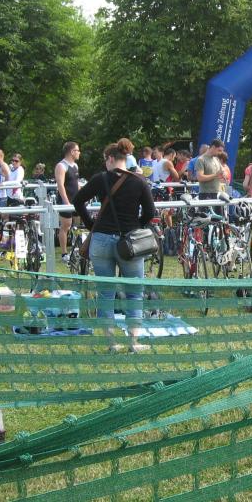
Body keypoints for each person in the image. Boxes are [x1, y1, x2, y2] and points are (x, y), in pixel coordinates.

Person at [73, 142, 155, 353]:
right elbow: (150, 212)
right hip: (130, 243)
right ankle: (134, 343)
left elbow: (78, 200)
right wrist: (137, 225)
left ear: (110, 158)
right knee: (134, 293)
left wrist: (91, 224)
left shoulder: (100, 179)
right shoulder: (139, 181)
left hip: (100, 240)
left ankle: (111, 343)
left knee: (105, 294)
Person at [55, 141, 81, 262]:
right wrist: (66, 202)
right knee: (66, 226)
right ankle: (64, 253)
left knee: (77, 225)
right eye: (77, 150)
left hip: (76, 200)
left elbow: (76, 184)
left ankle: (77, 249)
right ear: (72, 152)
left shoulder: (75, 166)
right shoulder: (61, 166)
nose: (79, 153)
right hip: (66, 200)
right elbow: (60, 185)